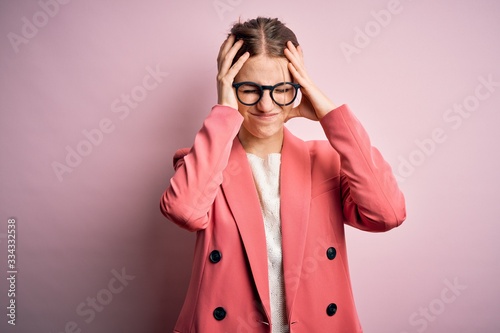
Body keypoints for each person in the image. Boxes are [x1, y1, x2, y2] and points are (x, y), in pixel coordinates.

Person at [160, 17, 406, 333]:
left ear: (297, 88)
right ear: (229, 87)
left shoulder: (324, 162)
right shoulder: (204, 165)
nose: (266, 104)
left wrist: (331, 116)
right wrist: (224, 114)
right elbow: (184, 212)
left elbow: (388, 214)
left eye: (281, 89)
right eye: (249, 89)